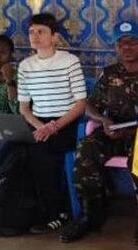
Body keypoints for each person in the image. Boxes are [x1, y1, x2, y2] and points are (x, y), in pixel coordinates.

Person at [65, 21, 138, 244]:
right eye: (121, 43)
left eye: (132, 41)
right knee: (86, 148)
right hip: (113, 130)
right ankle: (90, 214)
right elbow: (88, 105)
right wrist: (102, 120)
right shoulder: (109, 74)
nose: (126, 47)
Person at [14, 12, 87, 233]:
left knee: (42, 154)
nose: (35, 36)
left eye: (41, 32)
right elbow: (24, 108)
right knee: (16, 152)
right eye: (31, 32)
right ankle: (23, 211)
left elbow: (80, 104)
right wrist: (40, 127)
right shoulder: (25, 66)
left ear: (54, 37)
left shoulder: (69, 62)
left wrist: (54, 126)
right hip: (38, 123)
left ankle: (57, 213)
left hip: (65, 122)